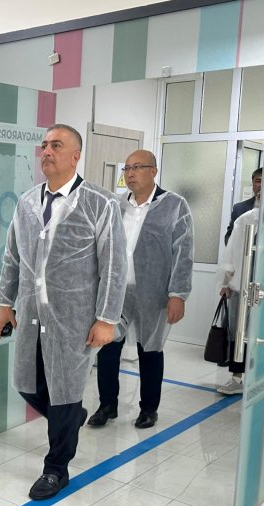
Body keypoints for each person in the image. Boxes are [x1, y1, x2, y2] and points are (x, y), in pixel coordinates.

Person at [0, 124, 127, 501]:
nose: (47, 152)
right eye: (44, 146)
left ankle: (56, 469)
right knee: (26, 383)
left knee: (65, 392)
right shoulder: (26, 202)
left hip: (75, 319)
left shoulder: (100, 203)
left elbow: (115, 266)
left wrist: (106, 319)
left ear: (75, 156)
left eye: (56, 145)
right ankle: (69, 418)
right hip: (30, 314)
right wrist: (4, 303)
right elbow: (12, 256)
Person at [88, 149, 194, 430]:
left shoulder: (174, 206)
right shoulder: (116, 204)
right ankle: (107, 405)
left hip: (154, 293)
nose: (130, 173)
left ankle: (148, 409)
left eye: (137, 167)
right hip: (117, 292)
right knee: (107, 347)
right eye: (127, 168)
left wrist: (178, 294)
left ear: (153, 171)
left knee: (150, 350)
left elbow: (183, 251)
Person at [216, 205, 259, 394]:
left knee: (263, 335)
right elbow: (231, 253)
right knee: (238, 333)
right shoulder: (246, 219)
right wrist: (226, 282)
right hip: (242, 285)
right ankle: (236, 378)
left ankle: (260, 378)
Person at [224, 167, 262, 245]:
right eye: (258, 181)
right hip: (243, 252)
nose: (261, 185)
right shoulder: (239, 208)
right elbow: (229, 236)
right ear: (252, 183)